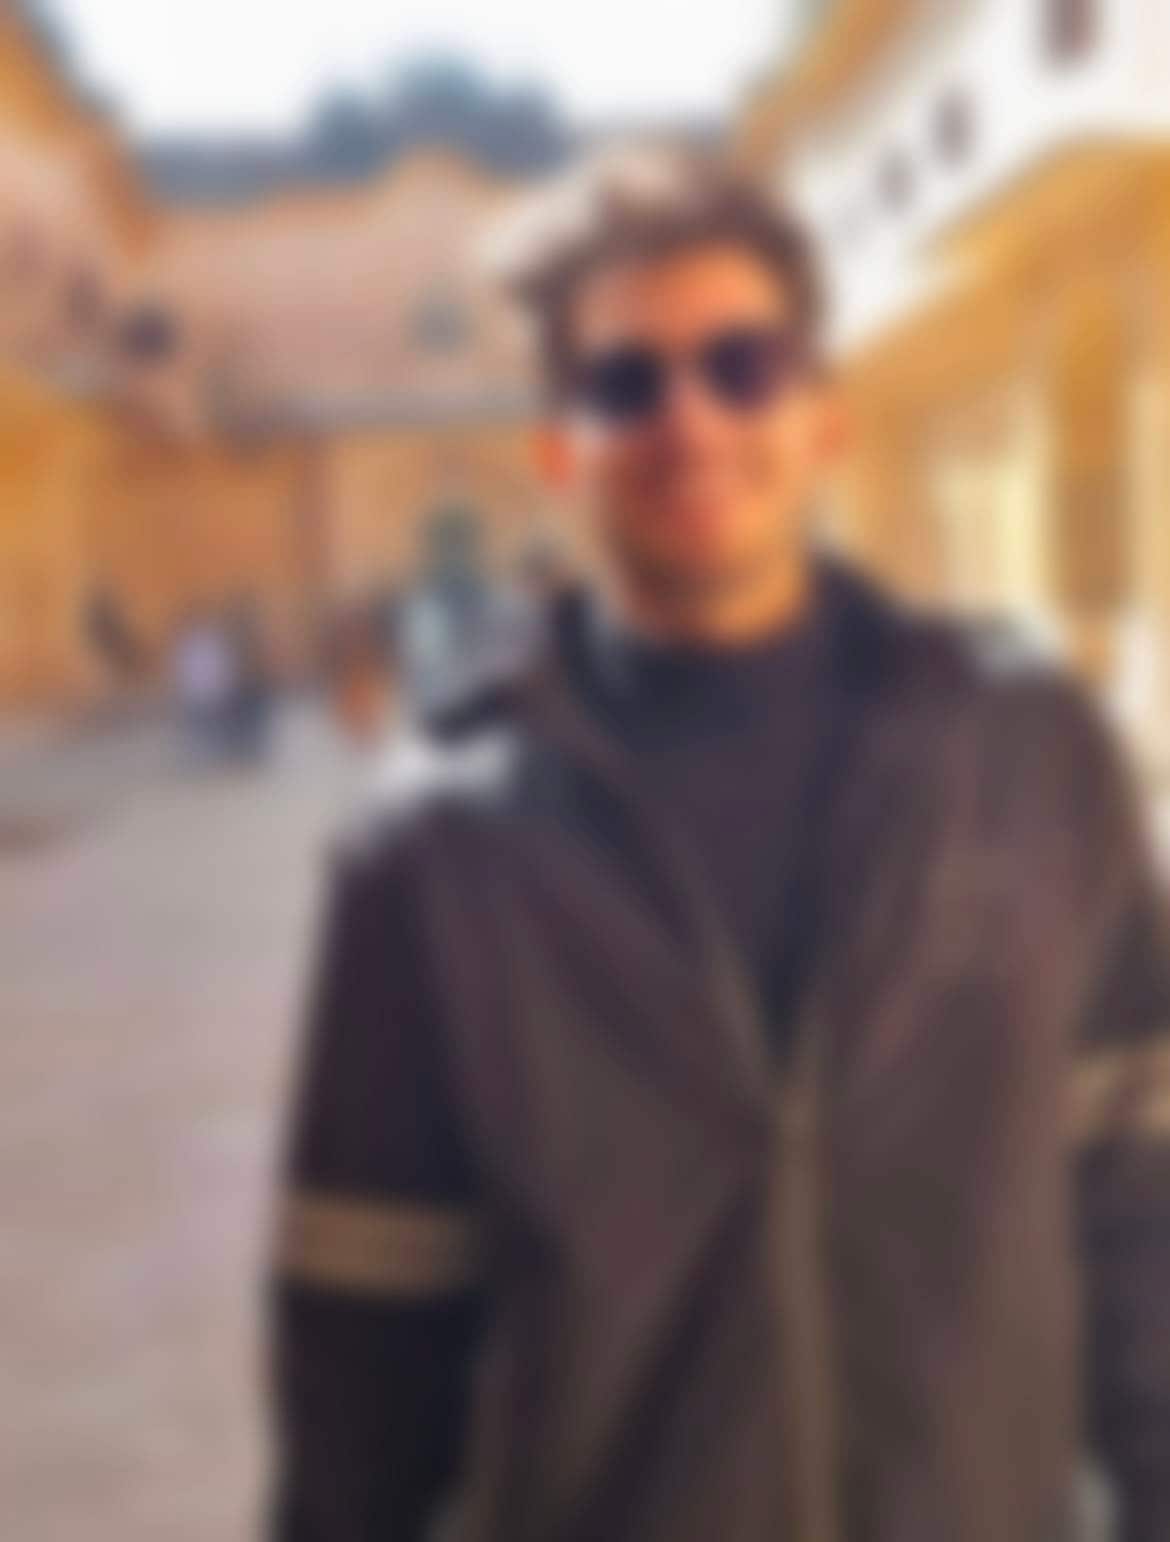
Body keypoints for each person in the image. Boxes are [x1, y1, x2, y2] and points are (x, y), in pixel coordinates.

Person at [270, 148, 1170, 1542]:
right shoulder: (434, 847)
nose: (689, 419)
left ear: (821, 419)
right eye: (626, 384)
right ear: (558, 452)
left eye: (742, 366)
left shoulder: (1027, 760)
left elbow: (1139, 1203)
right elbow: (362, 1338)